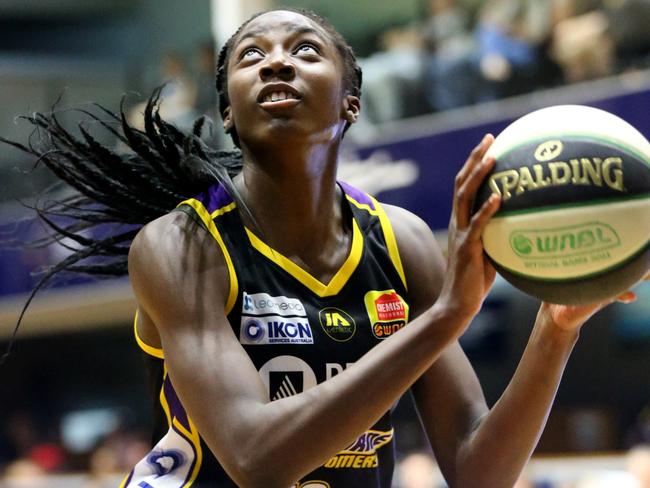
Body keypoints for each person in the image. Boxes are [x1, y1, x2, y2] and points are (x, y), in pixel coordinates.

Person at [2, 8, 638, 488]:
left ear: (351, 102)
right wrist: (446, 318)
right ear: (227, 112)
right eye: (252, 57)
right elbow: (257, 460)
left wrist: (557, 328)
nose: (276, 63)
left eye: (305, 50)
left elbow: (478, 470)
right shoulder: (182, 245)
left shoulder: (400, 241)